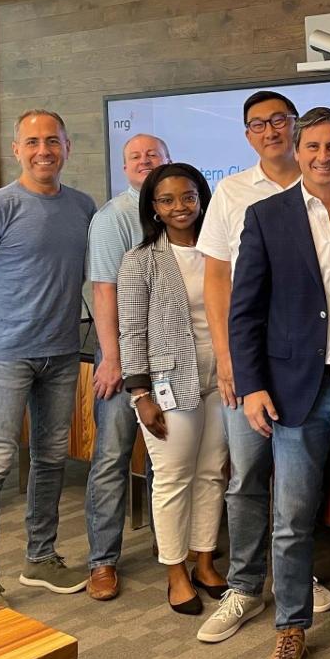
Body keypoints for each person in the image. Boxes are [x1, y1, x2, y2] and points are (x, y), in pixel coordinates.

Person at [230, 107, 330, 659]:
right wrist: (251, 385)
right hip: (296, 390)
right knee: (293, 517)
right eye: (313, 147)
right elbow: (245, 312)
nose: (324, 156)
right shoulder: (265, 216)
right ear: (297, 152)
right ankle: (291, 623)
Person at [195, 90, 330, 643]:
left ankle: (296, 578)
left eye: (280, 120)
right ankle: (246, 587)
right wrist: (231, 362)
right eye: (258, 124)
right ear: (248, 134)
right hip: (252, 366)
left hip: (312, 365)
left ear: (297, 129)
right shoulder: (232, 193)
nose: (270, 130)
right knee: (249, 477)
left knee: (301, 483)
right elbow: (217, 281)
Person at [0, 109, 96, 606]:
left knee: (51, 458)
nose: (43, 150)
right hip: (5, 356)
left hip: (60, 354)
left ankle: (40, 556)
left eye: (52, 140)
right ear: (17, 150)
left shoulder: (82, 206)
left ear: (68, 146)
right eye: (32, 142)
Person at [117, 163, 228, 615]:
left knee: (212, 473)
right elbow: (132, 332)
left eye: (187, 196)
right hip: (168, 384)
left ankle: (205, 562)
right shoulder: (139, 260)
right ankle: (175, 572)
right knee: (172, 478)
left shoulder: (221, 250)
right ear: (154, 209)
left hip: (223, 379)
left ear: (202, 198)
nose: (179, 206)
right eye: (167, 200)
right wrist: (139, 395)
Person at [84, 132, 171, 600]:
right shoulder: (113, 218)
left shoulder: (176, 209)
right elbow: (103, 290)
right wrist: (113, 359)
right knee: (113, 457)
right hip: (121, 356)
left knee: (166, 455)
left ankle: (170, 548)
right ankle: (102, 561)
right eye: (135, 156)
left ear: (169, 161)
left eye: (153, 155)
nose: (145, 161)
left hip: (170, 358)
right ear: (125, 169)